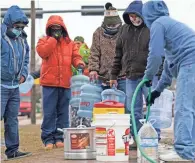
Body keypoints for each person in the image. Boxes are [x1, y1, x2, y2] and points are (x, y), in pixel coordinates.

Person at [142, 1, 195, 162]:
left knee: (183, 108)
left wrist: (147, 77)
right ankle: (189, 150)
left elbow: (155, 56)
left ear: (147, 15)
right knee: (193, 110)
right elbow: (169, 68)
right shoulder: (172, 30)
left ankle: (183, 152)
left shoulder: (158, 24)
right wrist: (157, 91)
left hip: (193, 63)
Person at [109, 0, 161, 149]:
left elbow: (159, 52)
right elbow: (118, 54)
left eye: (136, 15)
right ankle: (138, 138)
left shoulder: (151, 28)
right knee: (133, 109)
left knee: (153, 108)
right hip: (131, 76)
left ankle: (153, 138)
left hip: (149, 76)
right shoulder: (124, 30)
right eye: (130, 16)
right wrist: (113, 75)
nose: (134, 19)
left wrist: (159, 72)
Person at [36, 15, 85, 150]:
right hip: (49, 83)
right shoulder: (43, 41)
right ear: (49, 29)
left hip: (65, 83)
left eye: (58, 28)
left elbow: (76, 56)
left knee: (63, 112)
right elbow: (43, 53)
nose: (56, 30)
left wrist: (79, 63)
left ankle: (60, 137)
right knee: (49, 112)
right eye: (53, 28)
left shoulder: (70, 43)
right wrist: (52, 40)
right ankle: (48, 139)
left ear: (63, 28)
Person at [1, 5, 31, 160]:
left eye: (22, 27)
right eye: (17, 27)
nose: (19, 29)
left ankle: (12, 150)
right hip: (0, 86)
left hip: (14, 87)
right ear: (8, 24)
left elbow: (26, 59)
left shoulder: (22, 39)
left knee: (12, 120)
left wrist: (24, 75)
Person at [88, 2, 126, 92]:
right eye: (109, 25)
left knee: (124, 103)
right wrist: (93, 69)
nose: (112, 27)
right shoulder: (98, 33)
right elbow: (94, 53)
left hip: (122, 77)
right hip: (103, 78)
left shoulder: (125, 32)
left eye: (114, 25)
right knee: (103, 105)